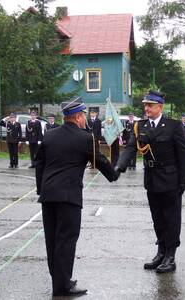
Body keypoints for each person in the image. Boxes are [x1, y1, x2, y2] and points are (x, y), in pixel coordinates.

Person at [35, 98, 117, 297]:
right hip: (69, 197)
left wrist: (41, 190)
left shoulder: (50, 135)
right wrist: (115, 172)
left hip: (48, 196)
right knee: (66, 241)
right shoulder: (85, 138)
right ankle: (63, 287)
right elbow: (102, 163)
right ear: (79, 117)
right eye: (84, 116)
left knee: (52, 240)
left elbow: (40, 165)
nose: (85, 120)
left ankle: (59, 281)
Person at [115, 90, 185, 274]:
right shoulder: (140, 126)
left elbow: (184, 153)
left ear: (160, 107)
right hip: (151, 178)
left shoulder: (173, 126)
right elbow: (131, 147)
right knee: (157, 218)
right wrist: (118, 167)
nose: (146, 108)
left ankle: (170, 256)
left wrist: (183, 181)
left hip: (171, 178)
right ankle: (161, 252)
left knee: (171, 218)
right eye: (145, 105)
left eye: (150, 105)